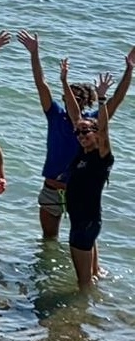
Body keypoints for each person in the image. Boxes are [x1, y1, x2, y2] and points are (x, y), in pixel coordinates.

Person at [16, 30, 132, 239]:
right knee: (48, 241)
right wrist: (34, 53)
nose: (71, 98)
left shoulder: (93, 123)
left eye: (77, 96)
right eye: (68, 94)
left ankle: (92, 272)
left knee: (85, 240)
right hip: (51, 187)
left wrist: (129, 70)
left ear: (86, 100)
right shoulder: (55, 114)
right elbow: (41, 84)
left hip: (79, 191)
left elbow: (116, 100)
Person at [62, 69, 115, 290]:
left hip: (86, 223)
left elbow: (102, 127)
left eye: (86, 133)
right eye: (78, 133)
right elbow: (76, 116)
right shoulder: (83, 152)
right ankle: (94, 314)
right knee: (91, 276)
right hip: (82, 221)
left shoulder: (101, 156)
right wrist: (64, 82)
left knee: (83, 283)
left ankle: (79, 317)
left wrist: (101, 99)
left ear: (96, 135)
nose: (81, 136)